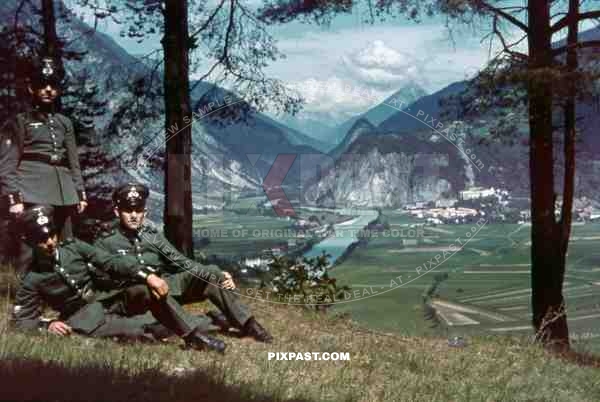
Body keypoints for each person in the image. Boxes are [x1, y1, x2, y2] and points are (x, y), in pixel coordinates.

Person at [12, 206, 228, 352]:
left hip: (109, 300)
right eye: (41, 239)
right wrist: (47, 324)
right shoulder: (32, 278)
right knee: (145, 332)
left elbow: (111, 262)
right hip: (85, 318)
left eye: (51, 235)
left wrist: (147, 275)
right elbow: (20, 321)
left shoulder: (74, 248)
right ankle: (211, 320)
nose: (50, 242)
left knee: (146, 290)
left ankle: (193, 337)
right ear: (30, 242)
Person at [93, 183, 273, 346]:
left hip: (163, 291)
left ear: (144, 213)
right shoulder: (105, 243)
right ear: (117, 212)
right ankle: (199, 331)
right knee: (153, 325)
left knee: (209, 273)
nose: (133, 215)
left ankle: (249, 325)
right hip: (134, 299)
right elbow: (101, 283)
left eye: (138, 210)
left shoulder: (153, 236)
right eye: (127, 210)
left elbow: (181, 262)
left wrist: (219, 273)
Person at [0, 57, 87, 278]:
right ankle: (22, 300)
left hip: (63, 191)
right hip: (32, 189)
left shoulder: (64, 122)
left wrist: (80, 193)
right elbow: (7, 163)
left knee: (65, 246)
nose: (48, 90)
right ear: (32, 88)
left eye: (53, 86)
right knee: (31, 250)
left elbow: (73, 161)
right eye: (42, 85)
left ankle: (63, 296)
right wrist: (14, 198)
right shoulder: (20, 121)